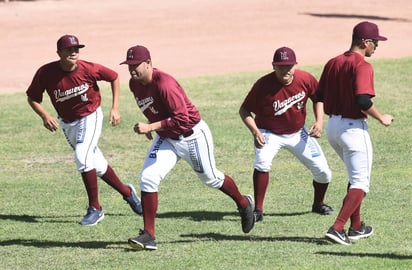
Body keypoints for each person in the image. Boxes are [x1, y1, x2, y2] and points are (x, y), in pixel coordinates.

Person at [120, 45, 255, 250]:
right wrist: (151, 124)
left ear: (148, 63)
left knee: (211, 179)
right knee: (148, 178)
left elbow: (182, 118)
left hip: (191, 135)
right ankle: (149, 235)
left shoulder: (165, 83)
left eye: (135, 65)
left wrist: (151, 126)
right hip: (167, 138)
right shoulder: (134, 83)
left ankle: (244, 203)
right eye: (129, 65)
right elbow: (153, 108)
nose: (131, 70)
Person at [26, 34, 142, 226]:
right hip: (68, 123)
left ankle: (95, 208)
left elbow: (113, 77)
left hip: (91, 115)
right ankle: (128, 193)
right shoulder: (46, 73)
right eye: (69, 49)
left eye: (76, 49)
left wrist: (115, 108)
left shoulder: (88, 68)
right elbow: (32, 97)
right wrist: (45, 116)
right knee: (95, 163)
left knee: (82, 155)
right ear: (59, 53)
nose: (74, 52)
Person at [317, 21, 394, 245]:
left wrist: (320, 121)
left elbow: (319, 95)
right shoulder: (362, 66)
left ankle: (357, 227)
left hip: (333, 128)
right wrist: (382, 118)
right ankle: (338, 227)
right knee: (361, 182)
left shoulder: (333, 62)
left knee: (354, 177)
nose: (377, 47)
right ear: (364, 42)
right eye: (375, 42)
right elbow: (362, 99)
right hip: (352, 129)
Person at [239, 46, 335, 223]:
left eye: (289, 66)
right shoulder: (263, 85)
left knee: (324, 172)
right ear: (273, 66)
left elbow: (318, 98)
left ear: (295, 65)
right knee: (262, 162)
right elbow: (244, 110)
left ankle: (318, 204)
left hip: (298, 133)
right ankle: (258, 210)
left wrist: (320, 121)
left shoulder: (305, 79)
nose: (285, 70)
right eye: (280, 66)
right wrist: (255, 131)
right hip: (269, 133)